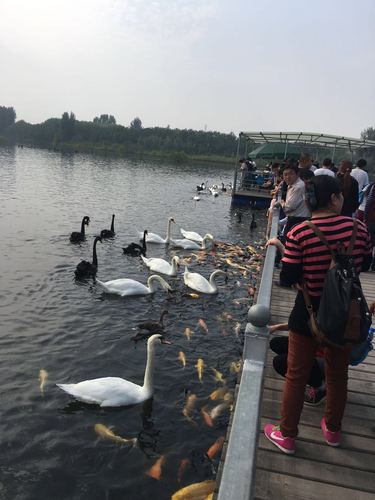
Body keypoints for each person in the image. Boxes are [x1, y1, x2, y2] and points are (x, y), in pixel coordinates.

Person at [264, 175, 372, 455]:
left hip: (307, 314)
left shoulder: (300, 232)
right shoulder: (358, 230)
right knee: (338, 376)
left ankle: (287, 435)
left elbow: (287, 278)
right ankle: (333, 431)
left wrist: (306, 278)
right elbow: (363, 264)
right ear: (335, 198)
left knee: (296, 375)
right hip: (345, 315)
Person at [277, 164, 310, 238]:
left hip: (297, 220)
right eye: (285, 174)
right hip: (297, 219)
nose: (288, 177)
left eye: (291, 174)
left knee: (288, 241)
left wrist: (282, 203)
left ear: (297, 174)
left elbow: (289, 207)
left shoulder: (298, 187)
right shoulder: (292, 185)